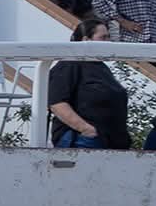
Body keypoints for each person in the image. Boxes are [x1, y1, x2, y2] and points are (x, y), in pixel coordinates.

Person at [47, 19, 131, 150]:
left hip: (110, 141)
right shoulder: (69, 64)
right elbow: (57, 103)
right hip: (84, 141)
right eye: (103, 37)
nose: (108, 42)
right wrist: (87, 130)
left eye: (108, 37)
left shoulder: (101, 67)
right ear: (86, 40)